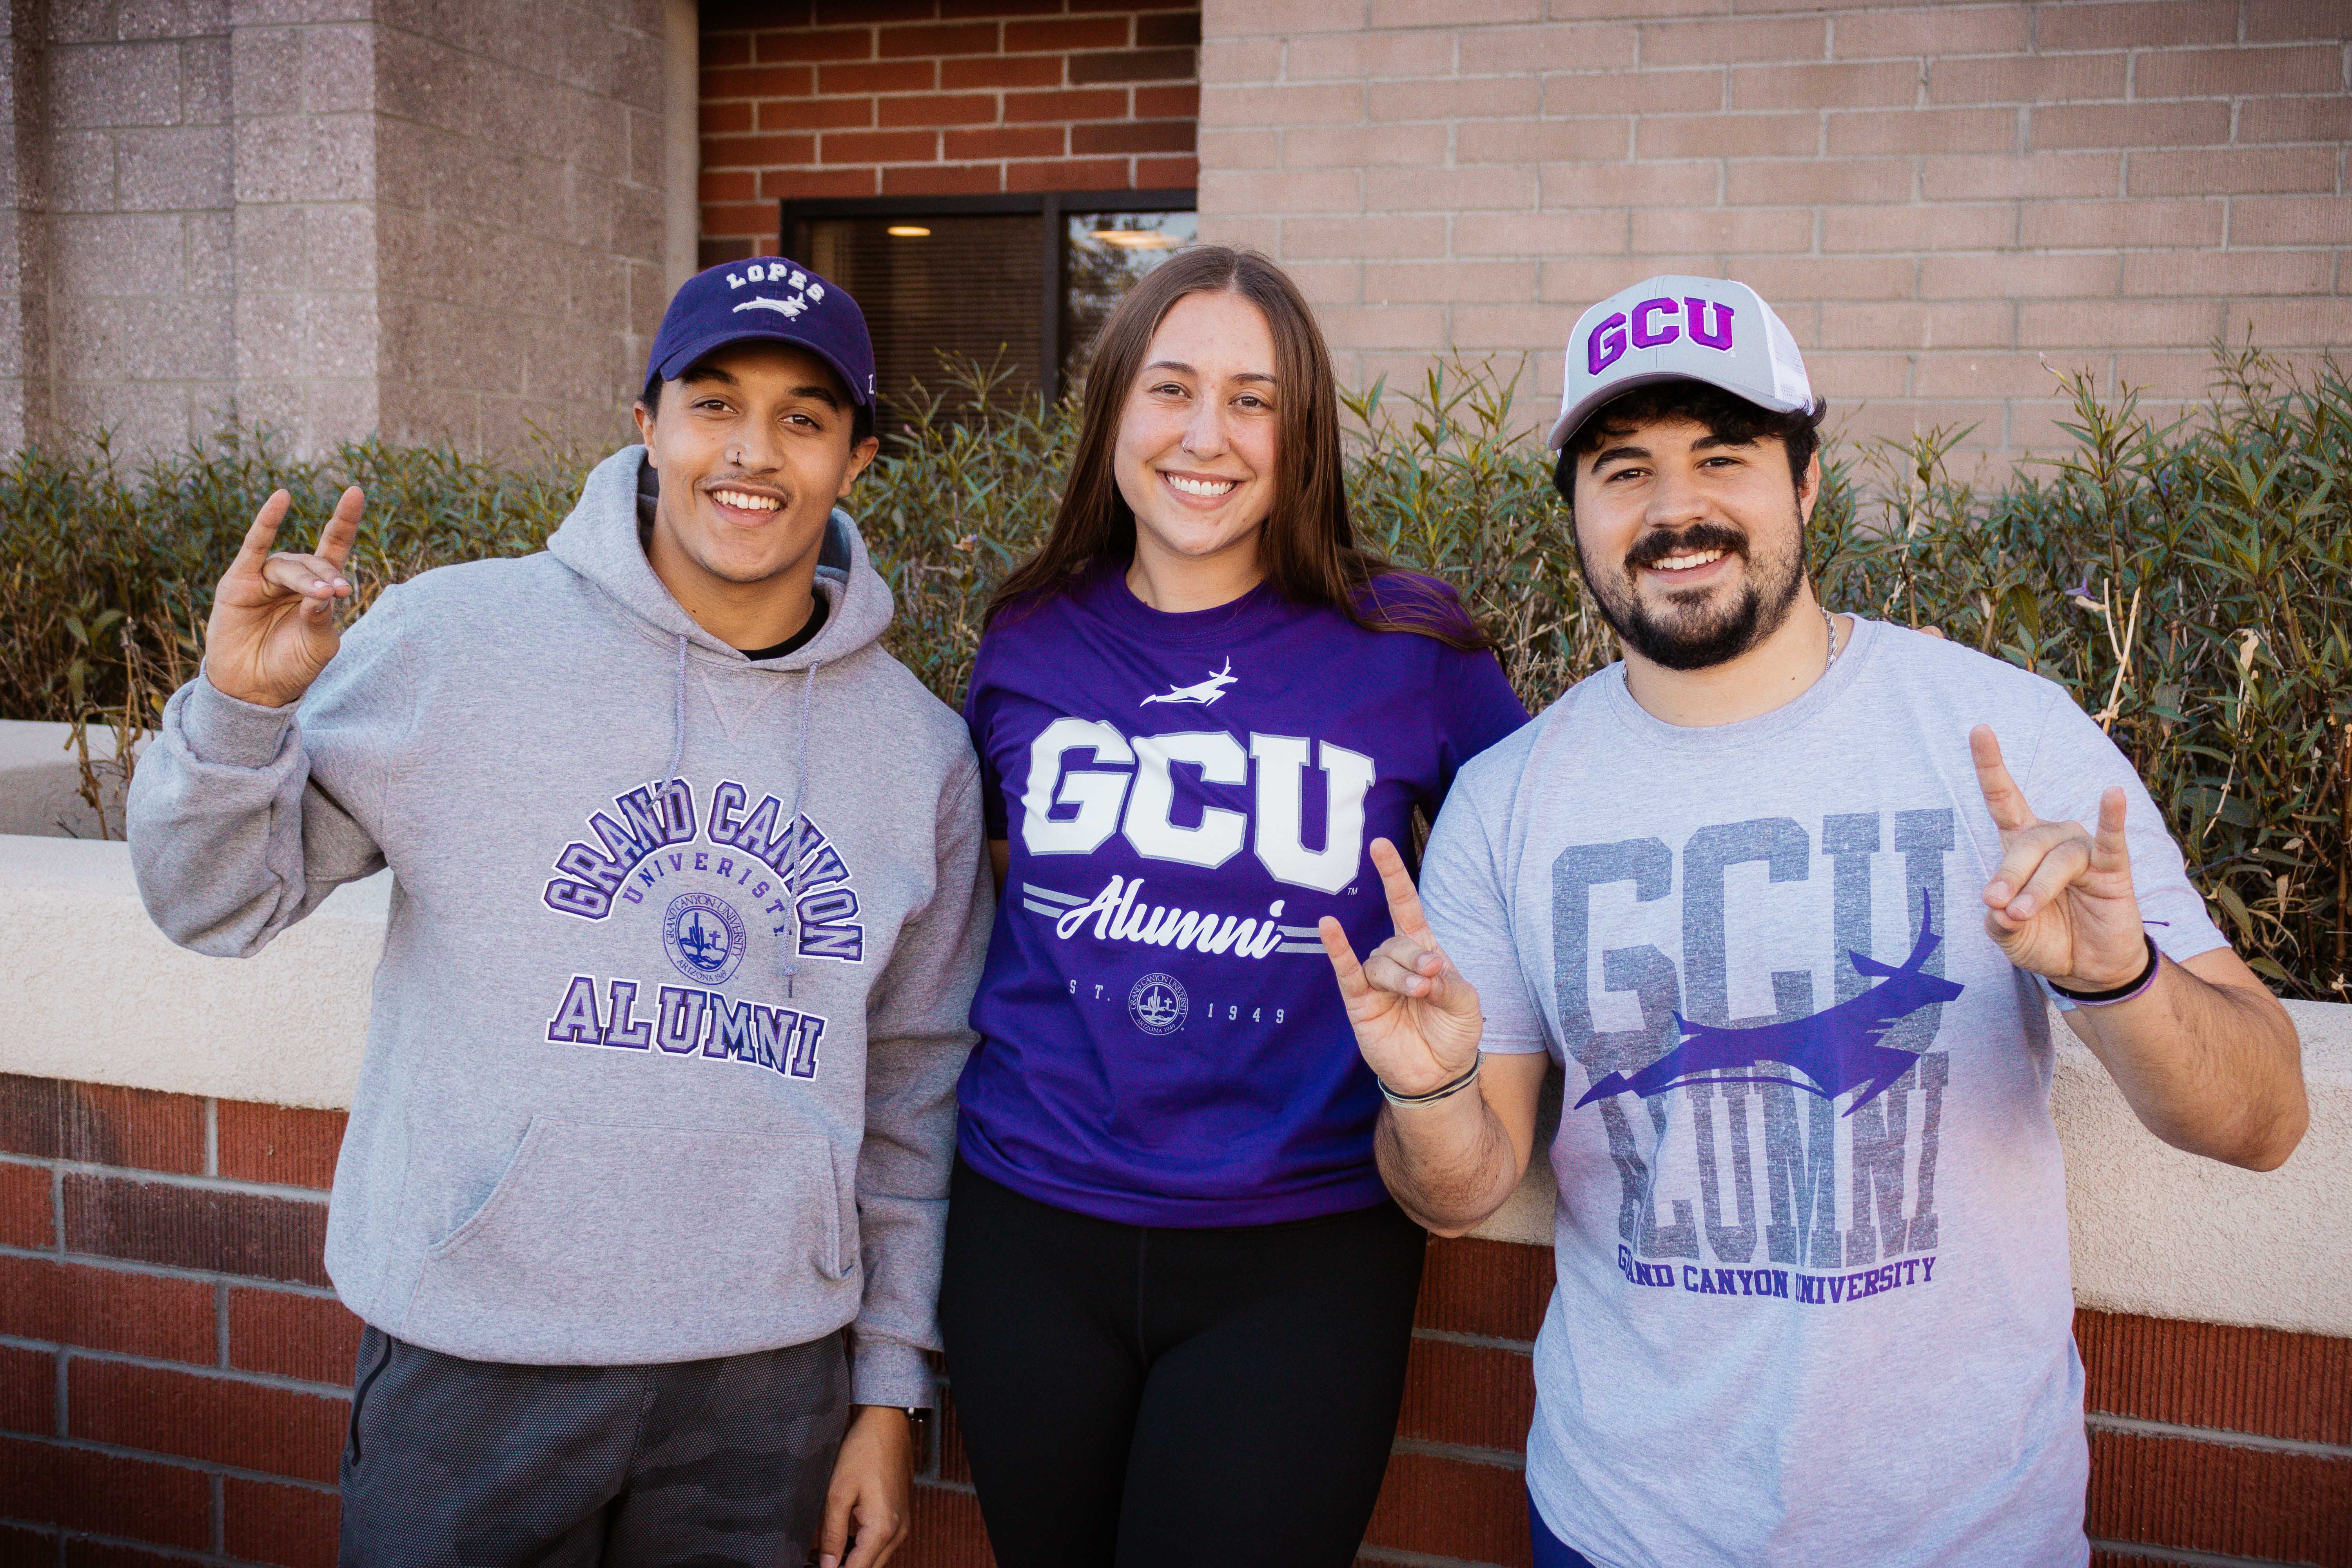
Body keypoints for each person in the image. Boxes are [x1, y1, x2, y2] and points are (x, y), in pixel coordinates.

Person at [1319, 274, 2309, 1568]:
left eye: (1723, 457)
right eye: (1626, 469)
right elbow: (1455, 1197)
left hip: (1967, 1537)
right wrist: (1434, 1089)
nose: (1677, 510)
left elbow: (2268, 1122)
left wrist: (2120, 980)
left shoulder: (1999, 738)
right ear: (1576, 510)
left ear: (1804, 484)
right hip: (1623, 1530)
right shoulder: (1510, 801)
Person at [125, 259, 994, 1568]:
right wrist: (242, 713)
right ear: (647, 428)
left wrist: (886, 1388)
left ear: (855, 461)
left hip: (765, 1387)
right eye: (714, 404)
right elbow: (212, 904)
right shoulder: (456, 645)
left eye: (805, 418)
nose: (752, 453)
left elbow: (918, 1087)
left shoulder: (915, 751)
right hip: (478, 1363)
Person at [937, 245, 1531, 1568]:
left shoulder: (1413, 649)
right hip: (1027, 1232)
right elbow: (974, 882)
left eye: (1255, 400)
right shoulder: (1028, 635)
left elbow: (1545, 863)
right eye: (1173, 390)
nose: (1209, 436)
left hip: (1303, 1251)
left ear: (1302, 432)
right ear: (1115, 420)